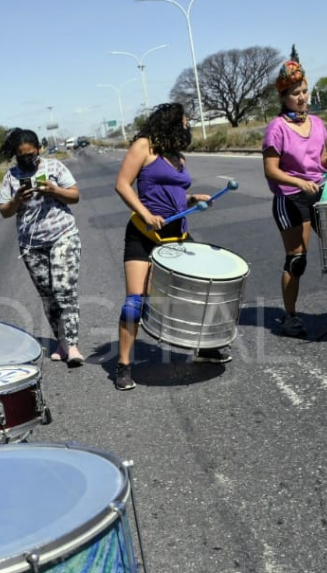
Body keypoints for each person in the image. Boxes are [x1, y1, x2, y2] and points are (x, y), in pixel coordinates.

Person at [112, 102, 220, 391]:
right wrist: (146, 214)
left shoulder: (177, 155)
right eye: (185, 122)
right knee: (135, 303)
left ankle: (204, 347)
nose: (188, 126)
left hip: (177, 233)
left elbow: (176, 194)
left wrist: (193, 199)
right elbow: (122, 184)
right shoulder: (144, 146)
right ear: (171, 123)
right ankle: (123, 365)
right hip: (144, 234)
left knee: (199, 291)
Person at [262, 60, 327, 338]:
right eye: (295, 93)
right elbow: (271, 170)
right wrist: (299, 182)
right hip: (291, 199)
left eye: (304, 91)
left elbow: (320, 161)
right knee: (297, 260)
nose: (302, 97)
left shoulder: (317, 123)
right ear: (283, 97)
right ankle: (290, 318)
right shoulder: (277, 128)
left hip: (319, 192)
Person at [0, 128, 84, 367]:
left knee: (63, 289)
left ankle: (73, 345)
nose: (27, 159)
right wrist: (17, 199)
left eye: (31, 154)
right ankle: (62, 342)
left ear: (39, 149)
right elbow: (4, 211)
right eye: (21, 156)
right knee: (48, 296)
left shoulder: (55, 167)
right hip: (31, 245)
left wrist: (55, 191)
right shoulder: (12, 176)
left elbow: (75, 195)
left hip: (62, 235)